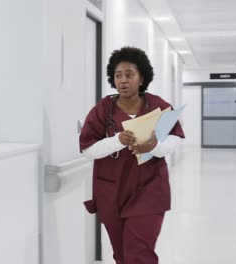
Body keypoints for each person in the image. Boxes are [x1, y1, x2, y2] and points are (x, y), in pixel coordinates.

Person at [79, 46, 185, 264]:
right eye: (118, 76)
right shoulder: (103, 109)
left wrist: (154, 147)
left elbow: (175, 139)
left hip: (150, 189)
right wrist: (116, 141)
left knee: (139, 254)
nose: (123, 81)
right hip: (112, 192)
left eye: (129, 75)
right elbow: (88, 148)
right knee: (122, 256)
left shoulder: (158, 106)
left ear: (141, 78)